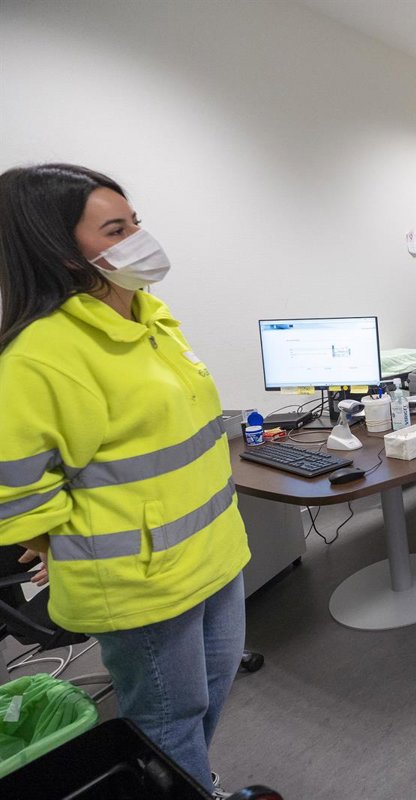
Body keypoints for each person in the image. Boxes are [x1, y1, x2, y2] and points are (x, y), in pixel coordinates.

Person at [0, 164, 250, 796]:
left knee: (208, 696)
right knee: (168, 719)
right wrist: (54, 544)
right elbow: (14, 492)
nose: (140, 238)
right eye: (116, 230)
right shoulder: (40, 355)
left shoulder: (150, 317)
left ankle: (191, 784)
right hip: (142, 583)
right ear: (59, 249)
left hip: (215, 552)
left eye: (135, 222)